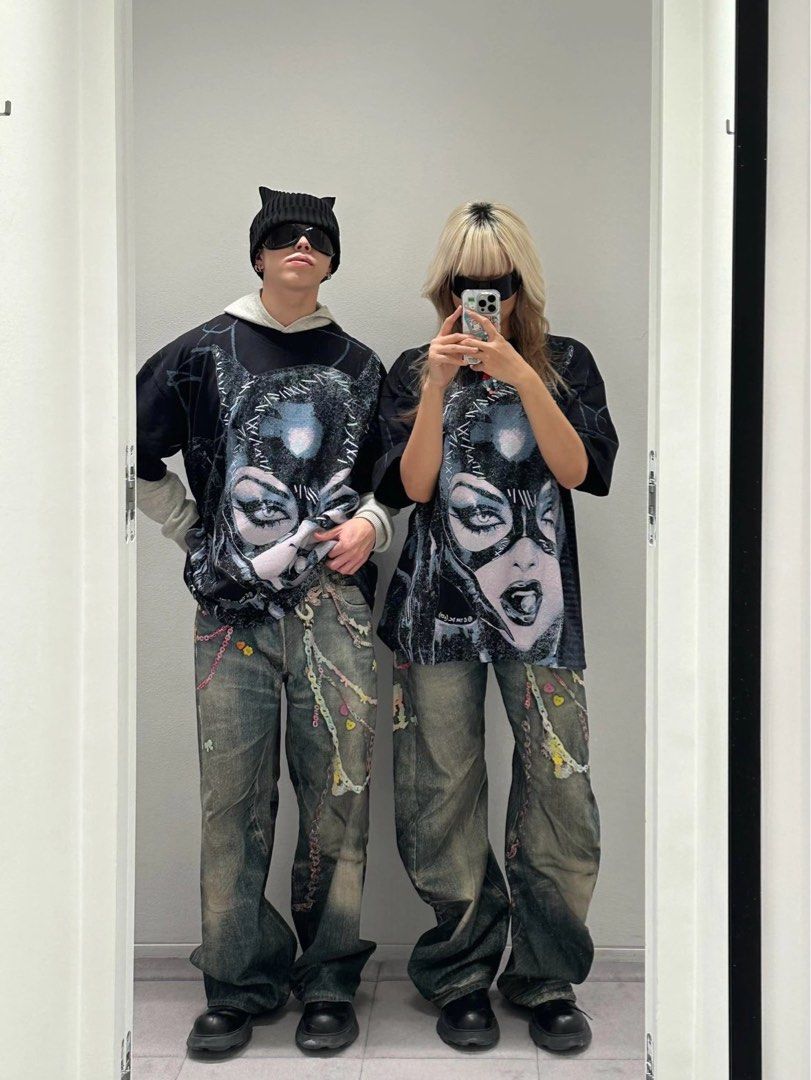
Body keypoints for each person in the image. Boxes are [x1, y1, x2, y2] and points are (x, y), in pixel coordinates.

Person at [136, 187, 393, 1055]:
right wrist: (189, 528)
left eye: (317, 238)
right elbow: (127, 443)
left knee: (337, 801)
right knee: (232, 801)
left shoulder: (360, 364)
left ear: (332, 258)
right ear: (257, 254)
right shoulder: (201, 353)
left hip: (335, 611)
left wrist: (372, 523)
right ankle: (237, 982)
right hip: (229, 615)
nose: (300, 247)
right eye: (283, 237)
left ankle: (328, 982)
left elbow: (396, 477)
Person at [373, 200, 619, 1053]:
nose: (483, 300)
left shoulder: (566, 364)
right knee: (440, 793)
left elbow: (581, 471)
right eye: (466, 284)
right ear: (444, 288)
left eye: (499, 284)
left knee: (559, 795)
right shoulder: (413, 370)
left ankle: (544, 977)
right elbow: (409, 489)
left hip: (541, 620)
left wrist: (522, 376)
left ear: (522, 287)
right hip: (434, 616)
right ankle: (460, 974)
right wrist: (436, 387)